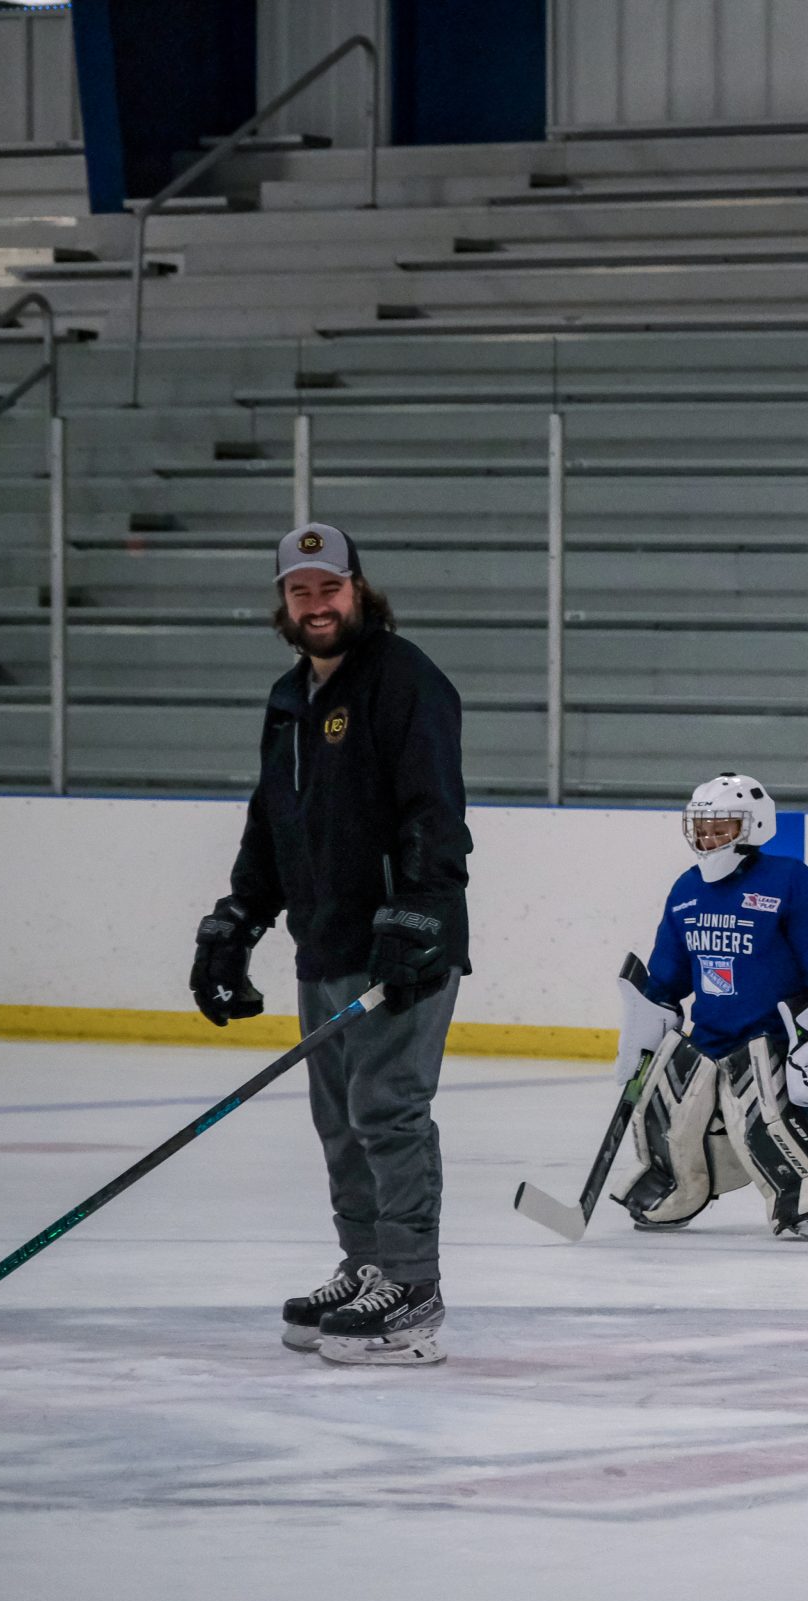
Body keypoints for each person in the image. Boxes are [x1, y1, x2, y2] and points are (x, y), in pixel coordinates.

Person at [192, 522, 472, 1367]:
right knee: (340, 1121)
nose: (316, 604)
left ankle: (412, 1285)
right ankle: (367, 1263)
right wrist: (237, 920)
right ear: (284, 603)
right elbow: (274, 821)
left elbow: (434, 811)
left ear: (358, 589)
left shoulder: (406, 681)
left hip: (400, 946)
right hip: (324, 943)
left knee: (387, 1108)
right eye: (300, 591)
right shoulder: (290, 699)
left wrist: (418, 914)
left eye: (330, 587)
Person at [612, 774, 808, 1237]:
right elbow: (667, 977)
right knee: (665, 1115)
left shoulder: (789, 880)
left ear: (754, 826)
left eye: (720, 828)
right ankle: (674, 1191)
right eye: (701, 828)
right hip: (708, 1036)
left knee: (767, 1122)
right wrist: (645, 1030)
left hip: (767, 1037)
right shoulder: (686, 890)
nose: (708, 838)